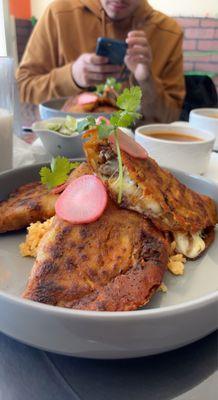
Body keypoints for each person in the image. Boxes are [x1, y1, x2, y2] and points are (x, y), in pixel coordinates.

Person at [16, 0, 185, 123]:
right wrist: (71, 76)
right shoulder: (58, 14)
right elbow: (21, 90)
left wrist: (147, 81)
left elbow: (170, 118)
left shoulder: (169, 32)